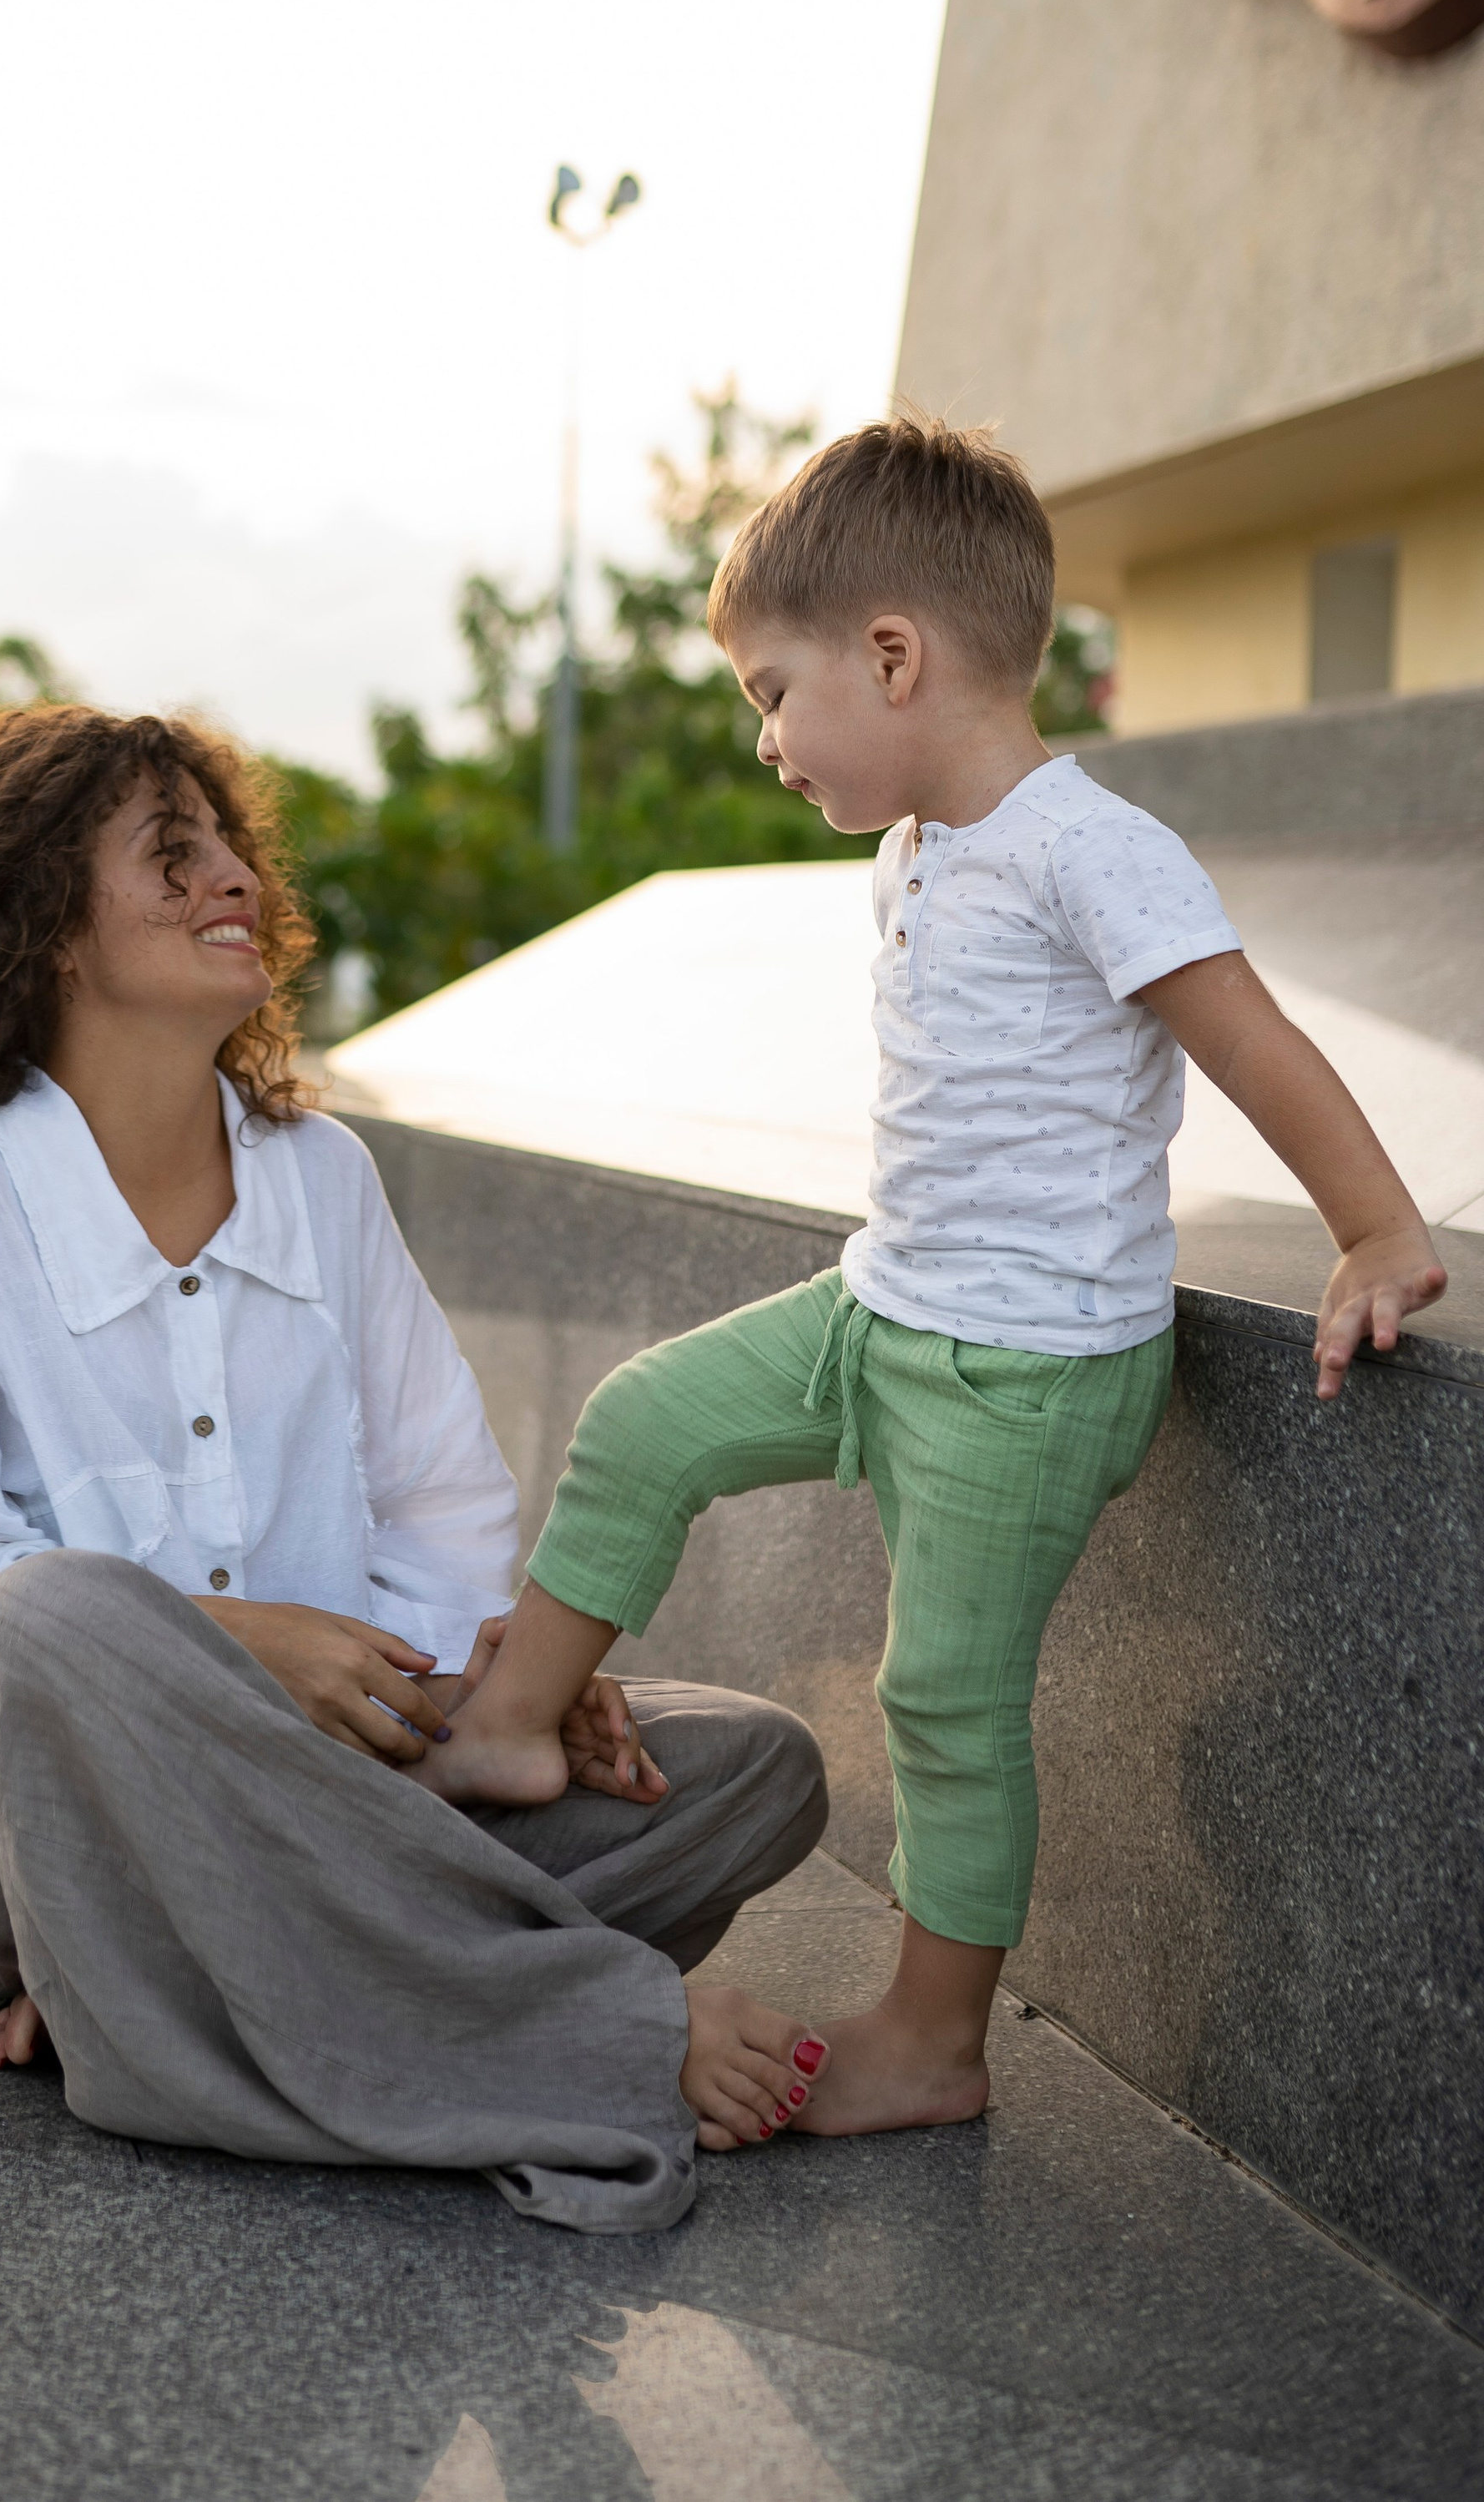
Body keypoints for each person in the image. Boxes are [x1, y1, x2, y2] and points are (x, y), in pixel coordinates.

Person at [0, 704, 833, 2232]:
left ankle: (152, 1979)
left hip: (337, 1790)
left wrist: (455, 1698)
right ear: (47, 927)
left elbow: (444, 1506)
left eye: (228, 846)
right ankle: (583, 2029)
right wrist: (247, 1652)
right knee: (42, 1618)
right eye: (170, 853)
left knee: (752, 1764)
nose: (233, 879)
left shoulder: (323, 1176)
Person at [421, 415, 1447, 2137]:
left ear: (891, 656)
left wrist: (1375, 1230)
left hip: (1026, 1371)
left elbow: (1249, 1038)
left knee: (944, 1699)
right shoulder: (916, 849)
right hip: (879, 1309)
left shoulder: (1086, 846)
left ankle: (933, 2039)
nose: (763, 737)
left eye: (772, 690)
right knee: (645, 1417)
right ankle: (517, 1718)